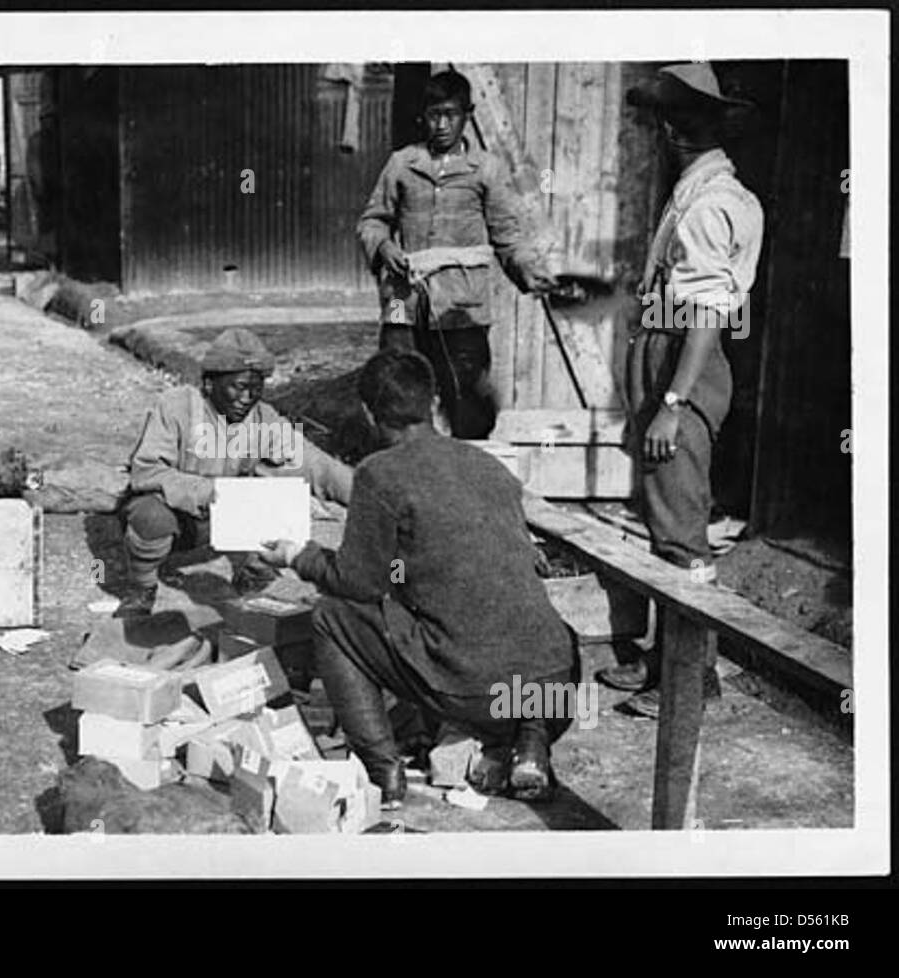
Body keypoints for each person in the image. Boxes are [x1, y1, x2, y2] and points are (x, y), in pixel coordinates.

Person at [259, 348, 579, 805]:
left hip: (478, 695)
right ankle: (531, 743)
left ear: (370, 414)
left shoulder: (379, 474)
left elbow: (357, 585)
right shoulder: (486, 464)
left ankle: (384, 772)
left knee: (331, 616)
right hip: (558, 689)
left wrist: (298, 555)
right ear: (433, 403)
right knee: (526, 626)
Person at [597, 63, 764, 719]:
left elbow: (706, 315)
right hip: (665, 366)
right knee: (666, 526)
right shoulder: (696, 192)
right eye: (669, 117)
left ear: (697, 125)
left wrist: (671, 406)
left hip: (682, 374)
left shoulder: (715, 202)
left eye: (680, 117)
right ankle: (666, 666)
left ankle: (694, 685)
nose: (670, 130)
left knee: (683, 539)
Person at [357, 70, 560, 440]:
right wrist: (384, 247)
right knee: (398, 387)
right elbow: (373, 221)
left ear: (468, 113)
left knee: (467, 397)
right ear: (424, 116)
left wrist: (527, 270)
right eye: (434, 114)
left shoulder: (486, 169)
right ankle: (406, 469)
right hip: (405, 300)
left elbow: (507, 237)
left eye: (450, 114)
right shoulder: (403, 164)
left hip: (461, 305)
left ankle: (466, 472)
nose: (442, 124)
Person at [115, 328, 353, 619]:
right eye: (237, 387)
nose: (246, 397)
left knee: (278, 493)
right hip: (177, 516)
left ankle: (254, 572)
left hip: (223, 519)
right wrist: (209, 491)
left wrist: (365, 495)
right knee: (149, 516)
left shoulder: (262, 418)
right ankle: (142, 588)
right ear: (210, 383)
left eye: (255, 388)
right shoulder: (177, 407)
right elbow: (146, 472)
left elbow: (316, 465)